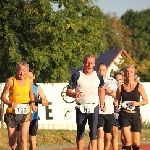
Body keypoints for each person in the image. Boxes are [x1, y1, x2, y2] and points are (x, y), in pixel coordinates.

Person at [66, 54, 105, 150]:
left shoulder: (98, 76)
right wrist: (74, 94)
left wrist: (102, 103)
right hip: (81, 106)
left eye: (91, 63)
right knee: (80, 132)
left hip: (94, 106)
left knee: (93, 133)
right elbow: (68, 91)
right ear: (83, 63)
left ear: (94, 64)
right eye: (87, 62)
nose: (89, 65)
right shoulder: (77, 75)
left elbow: (101, 90)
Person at [1, 61, 37, 150]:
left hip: (26, 112)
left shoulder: (29, 81)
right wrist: (9, 103)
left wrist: (32, 104)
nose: (22, 73)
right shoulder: (11, 81)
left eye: (24, 71)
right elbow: (3, 96)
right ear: (17, 70)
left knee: (23, 138)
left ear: (27, 71)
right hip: (12, 113)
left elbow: (31, 93)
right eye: (20, 70)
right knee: (12, 143)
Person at [114, 65, 148, 150]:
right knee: (127, 140)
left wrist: (137, 103)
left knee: (136, 143)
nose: (129, 74)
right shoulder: (121, 87)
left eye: (131, 72)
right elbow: (117, 101)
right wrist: (115, 104)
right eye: (127, 72)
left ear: (134, 74)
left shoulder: (139, 86)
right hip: (124, 115)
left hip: (135, 115)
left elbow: (146, 101)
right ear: (125, 74)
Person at [97, 63, 118, 150]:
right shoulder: (94, 80)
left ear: (107, 70)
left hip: (109, 111)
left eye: (103, 70)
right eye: (100, 70)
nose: (101, 72)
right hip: (98, 111)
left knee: (107, 137)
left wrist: (109, 91)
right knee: (100, 134)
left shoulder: (112, 81)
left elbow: (118, 95)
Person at [28, 69, 48, 150]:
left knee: (32, 142)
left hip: (33, 117)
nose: (28, 79)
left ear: (34, 77)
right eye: (26, 77)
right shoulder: (21, 87)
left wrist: (38, 100)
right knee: (21, 141)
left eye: (30, 77)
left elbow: (46, 102)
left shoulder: (37, 88)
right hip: (22, 117)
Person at [112, 72, 124, 150]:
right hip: (114, 114)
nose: (118, 81)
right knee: (115, 134)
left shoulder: (126, 89)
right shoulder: (111, 90)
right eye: (116, 79)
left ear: (123, 80)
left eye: (120, 79)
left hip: (124, 114)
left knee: (124, 135)